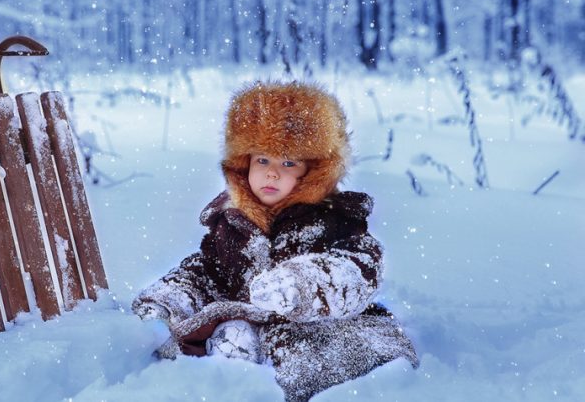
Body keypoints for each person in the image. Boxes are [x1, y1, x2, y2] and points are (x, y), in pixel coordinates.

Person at [132, 80, 418, 401]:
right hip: (245, 320)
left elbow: (358, 266)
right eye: (262, 160)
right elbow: (204, 271)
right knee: (170, 348)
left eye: (288, 163)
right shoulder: (231, 222)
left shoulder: (334, 219)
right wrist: (171, 298)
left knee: (312, 357)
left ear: (313, 171)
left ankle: (263, 369)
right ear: (244, 165)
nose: (271, 173)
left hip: (316, 330)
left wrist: (303, 284)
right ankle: (235, 354)